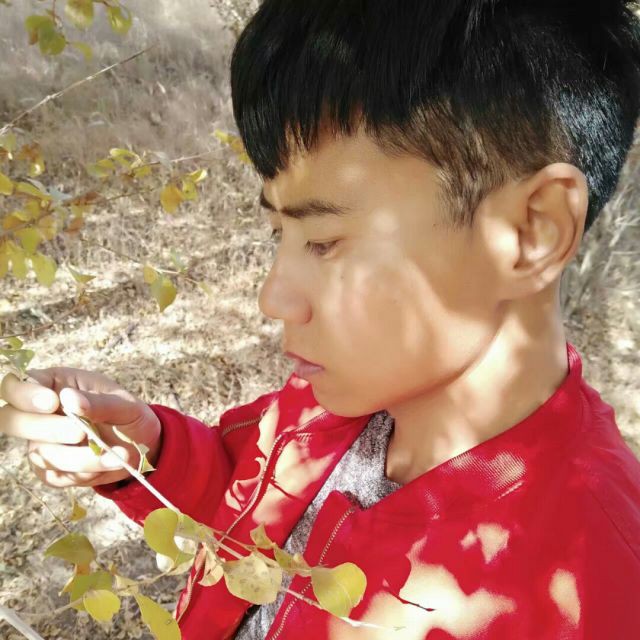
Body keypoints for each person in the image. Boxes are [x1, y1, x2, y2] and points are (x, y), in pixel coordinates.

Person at [2, 0, 640, 638]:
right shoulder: (331, 407)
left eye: (324, 240)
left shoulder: (591, 587)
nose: (273, 298)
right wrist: (148, 454)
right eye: (277, 233)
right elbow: (252, 500)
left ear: (530, 232)